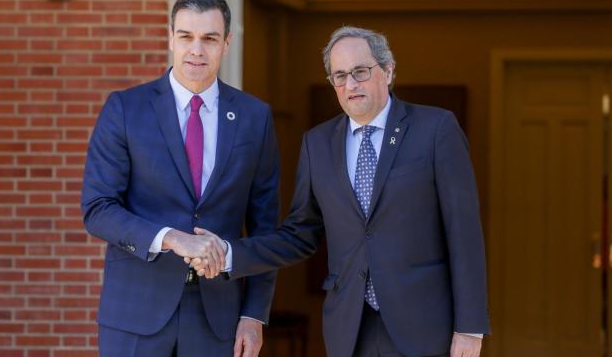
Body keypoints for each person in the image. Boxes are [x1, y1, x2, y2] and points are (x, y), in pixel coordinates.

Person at [192, 26, 490, 357]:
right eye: (339, 76)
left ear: (388, 70)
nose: (350, 85)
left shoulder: (435, 129)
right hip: (350, 328)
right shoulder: (317, 144)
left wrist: (470, 327)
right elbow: (300, 234)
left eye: (360, 72)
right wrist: (232, 254)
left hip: (425, 326)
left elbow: (463, 233)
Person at [80, 0, 280, 356]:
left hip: (218, 316)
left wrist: (254, 315)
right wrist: (173, 238)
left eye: (210, 38)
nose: (197, 50)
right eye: (186, 36)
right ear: (170, 37)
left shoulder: (255, 117)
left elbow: (265, 227)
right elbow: (97, 209)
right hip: (135, 312)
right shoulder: (125, 109)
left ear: (227, 42)